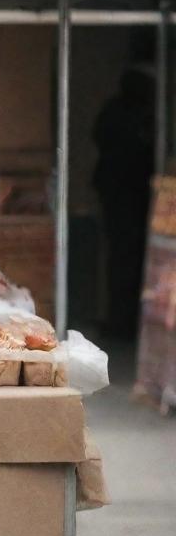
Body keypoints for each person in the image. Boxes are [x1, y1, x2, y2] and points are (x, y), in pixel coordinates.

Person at [93, 65, 156, 339]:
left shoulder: (121, 112)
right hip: (125, 197)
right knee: (125, 261)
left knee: (126, 261)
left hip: (126, 196)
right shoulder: (131, 115)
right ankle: (123, 322)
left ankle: (124, 321)